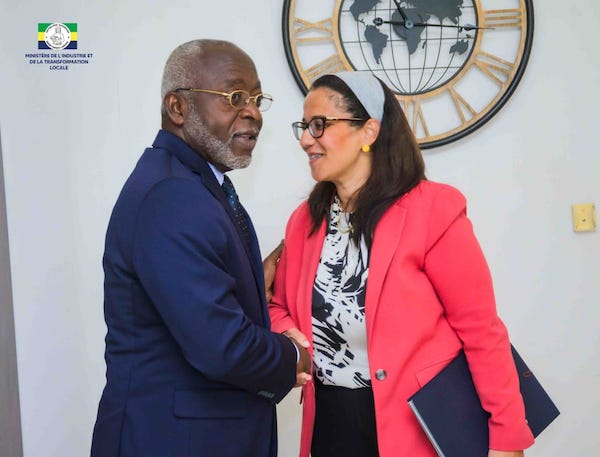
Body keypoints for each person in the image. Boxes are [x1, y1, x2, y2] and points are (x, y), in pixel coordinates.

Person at [268, 71, 535, 457]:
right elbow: (277, 305)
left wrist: (507, 436)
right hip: (331, 422)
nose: (306, 139)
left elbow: (481, 331)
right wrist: (289, 334)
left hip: (419, 427)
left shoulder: (433, 209)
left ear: (369, 131)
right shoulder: (303, 222)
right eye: (304, 126)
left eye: (319, 124)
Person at [91, 39, 310, 457]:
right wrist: (292, 355)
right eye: (234, 97)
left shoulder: (193, 183)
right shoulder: (172, 194)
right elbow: (221, 346)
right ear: (178, 108)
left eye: (257, 98)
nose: (253, 112)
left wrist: (251, 285)